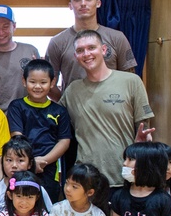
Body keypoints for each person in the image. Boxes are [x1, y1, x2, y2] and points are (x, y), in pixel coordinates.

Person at [60, 30, 154, 188]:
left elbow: (144, 129)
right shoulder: (72, 90)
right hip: (86, 181)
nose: (86, 54)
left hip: (124, 177)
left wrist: (142, 148)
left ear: (104, 50)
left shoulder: (131, 82)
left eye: (91, 48)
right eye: (80, 50)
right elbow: (51, 119)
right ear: (76, 56)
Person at [46, 0, 138, 95]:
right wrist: (65, 104)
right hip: (71, 112)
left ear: (98, 3)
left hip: (110, 109)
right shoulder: (57, 42)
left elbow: (130, 79)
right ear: (70, 5)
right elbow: (48, 84)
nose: (83, 3)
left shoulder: (117, 38)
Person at [6, 59, 72, 204]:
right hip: (22, 169)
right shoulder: (17, 106)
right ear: (24, 81)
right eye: (32, 81)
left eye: (43, 82)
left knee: (47, 211)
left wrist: (44, 161)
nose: (37, 86)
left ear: (52, 82)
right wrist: (30, 163)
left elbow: (64, 141)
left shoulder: (59, 111)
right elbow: (17, 136)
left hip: (49, 170)